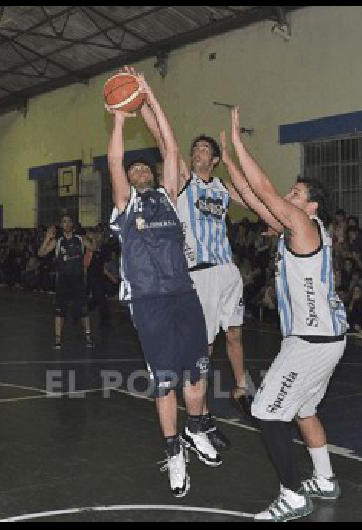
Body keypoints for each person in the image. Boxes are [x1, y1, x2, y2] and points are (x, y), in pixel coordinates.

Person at [224, 107, 348, 522]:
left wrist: (240, 144)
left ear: (310, 206)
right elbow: (253, 197)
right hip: (328, 339)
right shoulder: (299, 227)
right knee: (303, 411)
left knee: (266, 411)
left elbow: (263, 190)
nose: (288, 197)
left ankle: (292, 495)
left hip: (310, 344)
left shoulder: (302, 223)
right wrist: (227, 165)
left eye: (296, 193)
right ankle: (325, 479)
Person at [106, 70, 220, 498]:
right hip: (148, 299)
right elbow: (114, 162)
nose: (137, 170)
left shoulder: (170, 196)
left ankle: (195, 431)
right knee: (165, 378)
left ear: (153, 175)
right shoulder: (124, 205)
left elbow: (171, 147)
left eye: (142, 167)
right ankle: (174, 453)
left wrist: (150, 96)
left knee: (197, 371)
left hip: (183, 293)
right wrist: (119, 119)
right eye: (132, 169)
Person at [140, 76, 250, 440]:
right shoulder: (185, 180)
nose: (198, 151)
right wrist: (142, 105)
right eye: (196, 148)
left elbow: (254, 199)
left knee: (234, 334)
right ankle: (200, 419)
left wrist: (277, 224)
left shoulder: (222, 187)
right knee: (201, 348)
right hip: (198, 273)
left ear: (215, 160)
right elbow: (161, 140)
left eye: (205, 149)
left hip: (228, 270)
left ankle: (240, 388)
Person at [38, 215, 93, 349]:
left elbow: (94, 247)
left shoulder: (80, 239)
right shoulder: (58, 241)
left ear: (72, 224)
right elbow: (41, 253)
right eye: (64, 222)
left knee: (83, 309)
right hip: (63, 280)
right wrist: (47, 237)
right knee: (59, 311)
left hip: (77, 279)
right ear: (61, 225)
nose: (66, 224)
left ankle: (88, 336)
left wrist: (92, 238)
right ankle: (58, 340)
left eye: (69, 221)